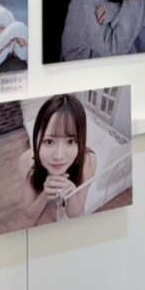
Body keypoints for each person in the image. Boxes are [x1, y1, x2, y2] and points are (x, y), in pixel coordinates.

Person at [19, 95, 97, 226]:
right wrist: (45, 194)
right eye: (49, 141)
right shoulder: (26, 161)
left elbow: (76, 214)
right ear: (36, 138)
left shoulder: (88, 161)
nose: (59, 156)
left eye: (70, 141)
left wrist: (72, 194)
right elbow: (30, 213)